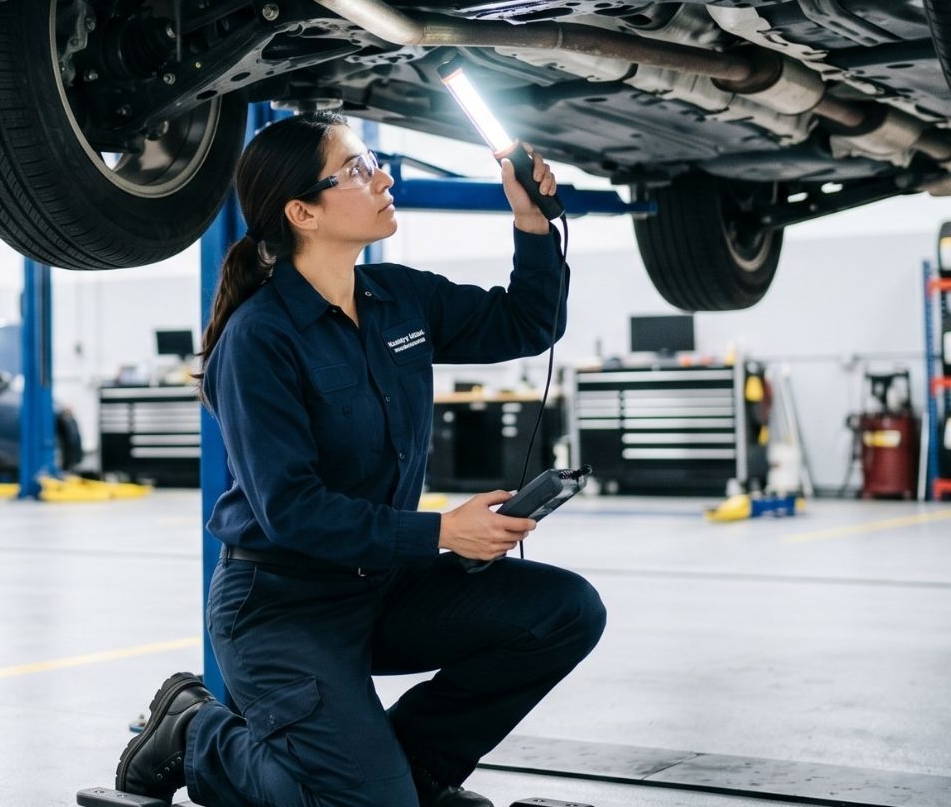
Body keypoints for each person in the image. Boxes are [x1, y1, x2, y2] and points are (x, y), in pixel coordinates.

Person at [115, 114, 605, 807]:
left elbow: (526, 324)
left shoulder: (398, 298)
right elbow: (290, 512)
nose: (383, 178)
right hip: (283, 610)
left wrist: (530, 221)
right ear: (302, 212)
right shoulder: (259, 341)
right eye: (356, 169)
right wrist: (441, 533)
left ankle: (416, 772)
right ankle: (198, 735)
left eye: (372, 160)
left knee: (565, 610)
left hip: (381, 587)